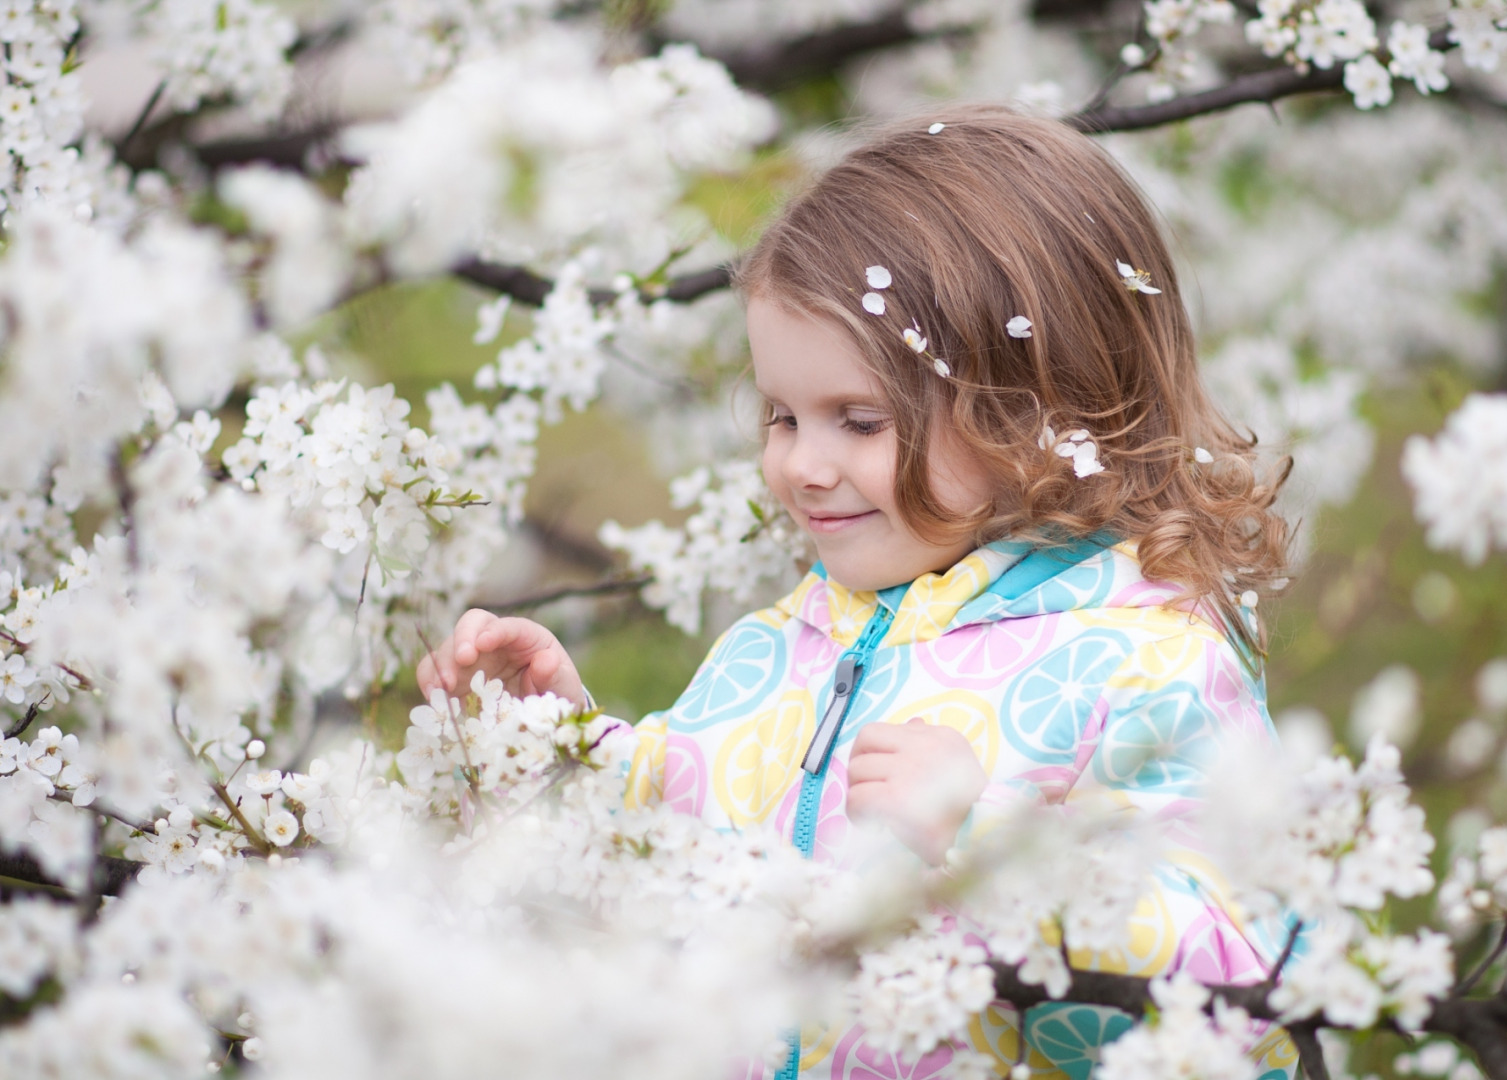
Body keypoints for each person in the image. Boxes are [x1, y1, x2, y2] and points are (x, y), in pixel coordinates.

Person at [418, 104, 1299, 1080]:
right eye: (782, 415)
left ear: (1043, 407)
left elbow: (1243, 999)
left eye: (860, 421)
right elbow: (678, 864)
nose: (801, 464)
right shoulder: (775, 649)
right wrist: (570, 756)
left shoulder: (1148, 660)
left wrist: (988, 842)